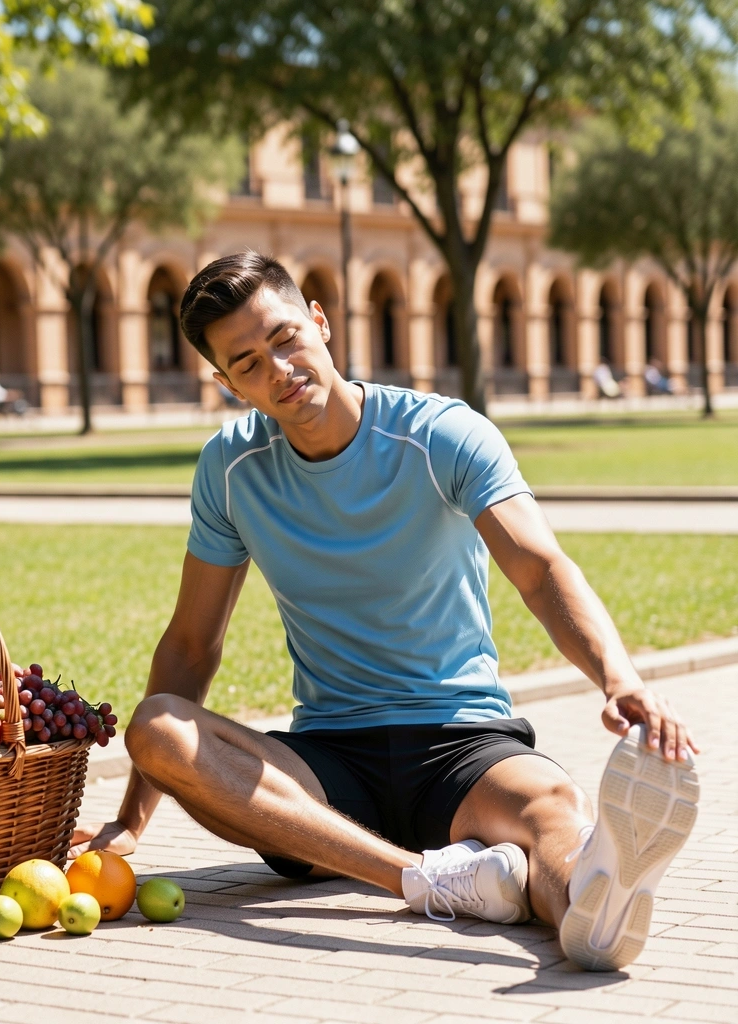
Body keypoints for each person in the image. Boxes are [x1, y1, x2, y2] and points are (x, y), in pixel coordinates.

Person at [71, 252, 700, 972]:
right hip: (329, 769)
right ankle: (428, 878)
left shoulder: (439, 434)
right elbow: (189, 647)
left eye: (283, 338)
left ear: (319, 320)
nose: (277, 368)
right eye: (246, 363)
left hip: (462, 741)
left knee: (553, 808)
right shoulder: (230, 468)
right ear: (225, 384)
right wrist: (128, 823)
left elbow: (539, 567)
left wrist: (619, 679)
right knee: (157, 727)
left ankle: (591, 911)